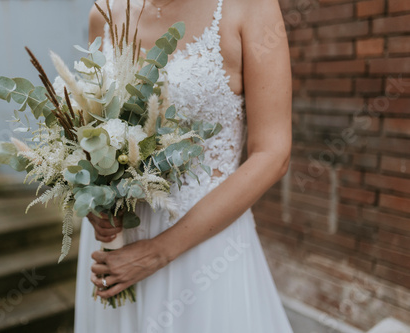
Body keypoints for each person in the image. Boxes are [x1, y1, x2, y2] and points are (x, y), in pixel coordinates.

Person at [75, 0, 293, 331]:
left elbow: (273, 154)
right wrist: (92, 198)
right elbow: (88, 126)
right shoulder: (103, 13)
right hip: (115, 247)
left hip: (204, 247)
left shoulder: (251, 8)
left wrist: (158, 252)